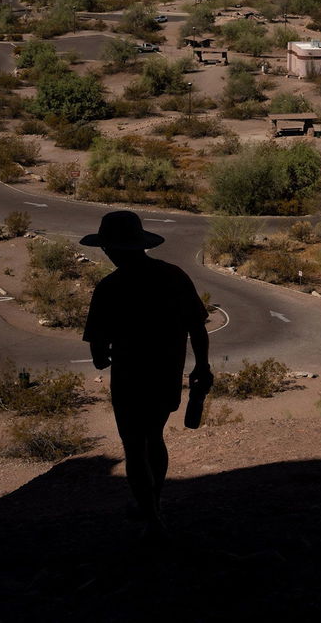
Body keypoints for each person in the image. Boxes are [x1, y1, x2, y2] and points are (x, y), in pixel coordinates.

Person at [81, 210, 211, 541]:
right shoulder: (174, 276)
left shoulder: (109, 288)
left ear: (111, 249)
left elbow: (98, 352)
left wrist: (104, 357)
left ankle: (151, 517)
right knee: (154, 436)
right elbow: (197, 327)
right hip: (166, 374)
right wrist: (202, 366)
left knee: (134, 446)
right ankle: (154, 503)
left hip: (129, 379)